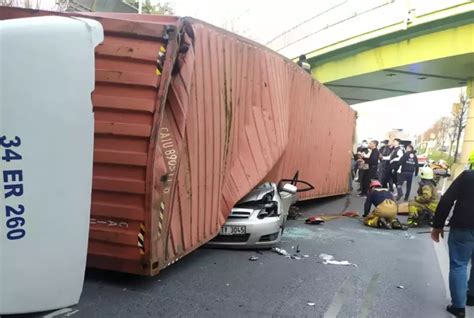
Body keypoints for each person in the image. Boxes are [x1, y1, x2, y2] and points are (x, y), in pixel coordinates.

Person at [431, 169, 474, 317]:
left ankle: (458, 307)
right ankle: (472, 296)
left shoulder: (468, 176)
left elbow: (447, 200)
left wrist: (438, 225)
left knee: (459, 264)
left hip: (463, 225)